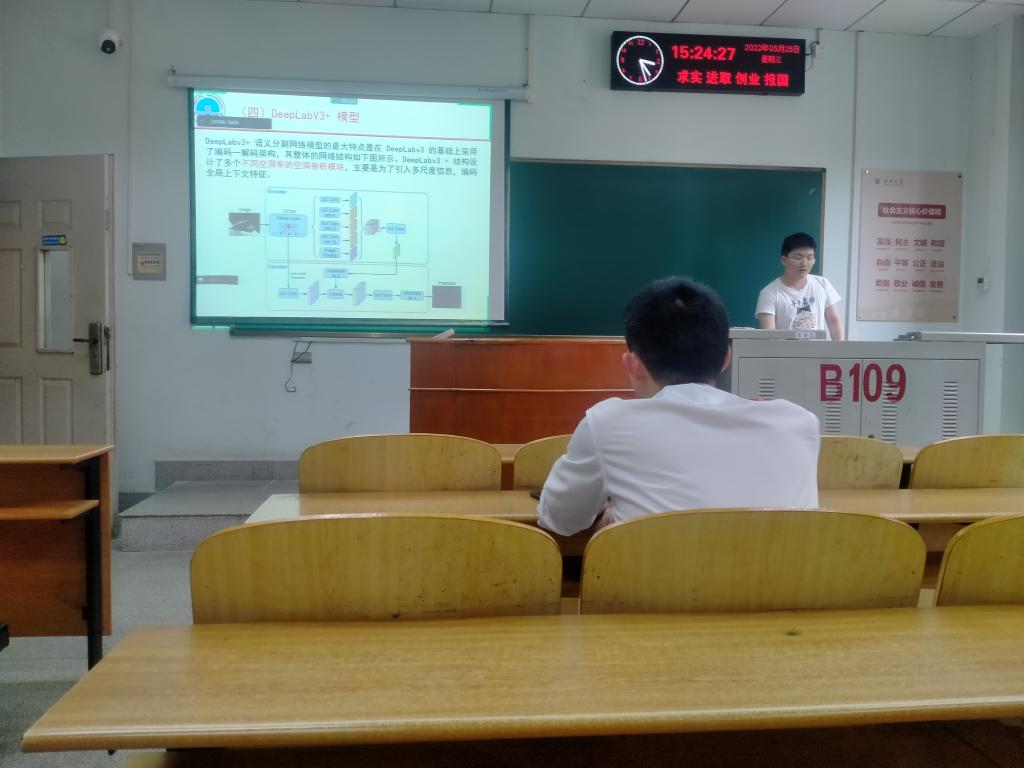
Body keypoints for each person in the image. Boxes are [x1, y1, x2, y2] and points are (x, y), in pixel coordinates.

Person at [537, 277, 820, 537]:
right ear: (726, 358)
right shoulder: (799, 423)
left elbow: (559, 519)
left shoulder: (607, 424)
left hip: (656, 578)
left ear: (633, 365)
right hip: (781, 578)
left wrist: (623, 517)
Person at [756, 232, 845, 340]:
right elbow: (769, 336)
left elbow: (833, 321)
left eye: (809, 258)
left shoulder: (823, 284)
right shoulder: (769, 293)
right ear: (784, 260)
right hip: (785, 351)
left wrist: (839, 349)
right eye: (798, 258)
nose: (804, 263)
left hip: (818, 350)